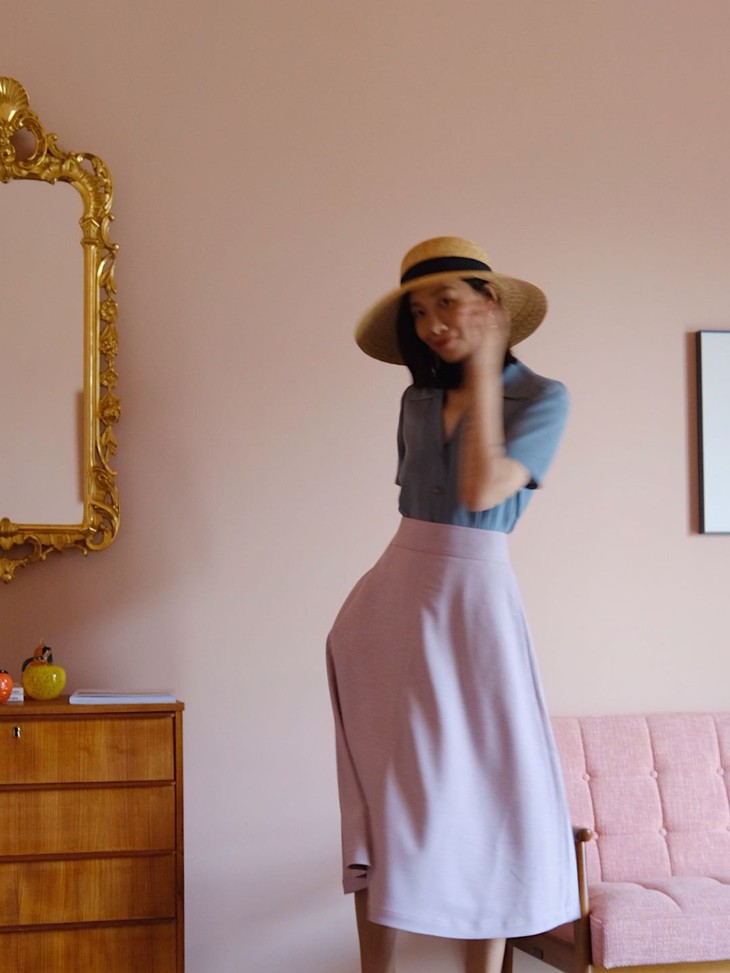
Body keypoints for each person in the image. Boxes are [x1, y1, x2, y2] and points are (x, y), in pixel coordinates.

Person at [326, 237, 580, 973]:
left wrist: (485, 372)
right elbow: (417, 512)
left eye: (446, 301)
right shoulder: (417, 400)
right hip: (387, 609)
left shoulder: (543, 397)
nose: (432, 323)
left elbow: (481, 490)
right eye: (418, 310)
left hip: (474, 607)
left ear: (490, 301)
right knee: (385, 805)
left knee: (486, 798)